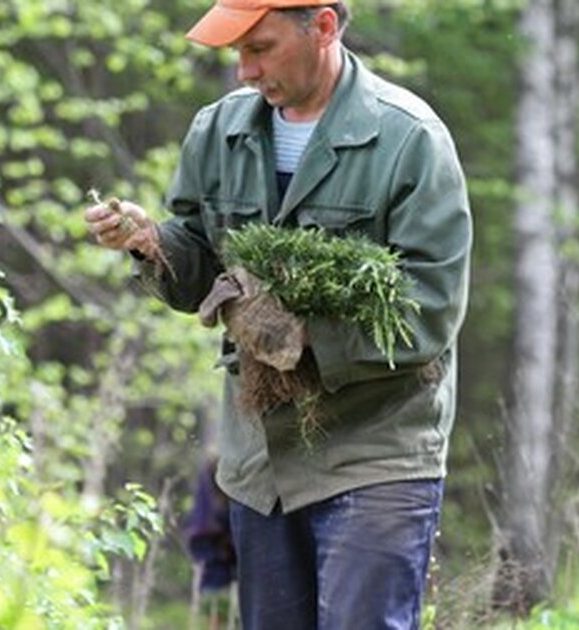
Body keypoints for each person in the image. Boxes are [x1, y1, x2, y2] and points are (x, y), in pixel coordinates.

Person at [84, 0, 471, 627]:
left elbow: (429, 310)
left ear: (322, 26)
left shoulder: (409, 139)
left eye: (259, 47)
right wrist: (150, 241)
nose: (243, 71)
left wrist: (305, 338)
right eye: (237, 51)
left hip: (375, 452)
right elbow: (198, 259)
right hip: (260, 465)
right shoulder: (218, 130)